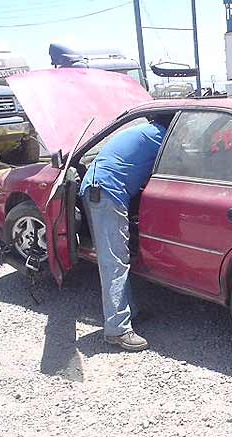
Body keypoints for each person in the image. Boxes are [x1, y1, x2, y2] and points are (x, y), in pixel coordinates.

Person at [79, 116, 169, 351]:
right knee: (114, 261)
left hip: (99, 188)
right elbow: (179, 163)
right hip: (107, 191)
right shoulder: (161, 137)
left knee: (117, 257)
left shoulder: (147, 131)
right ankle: (117, 330)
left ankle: (129, 313)